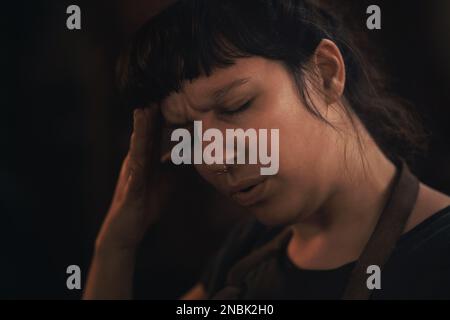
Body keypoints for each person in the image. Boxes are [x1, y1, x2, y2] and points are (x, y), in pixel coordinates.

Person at [83, 0, 450, 299]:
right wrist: (116, 245)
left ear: (325, 72)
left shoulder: (437, 255)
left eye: (236, 106)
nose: (213, 156)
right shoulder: (249, 253)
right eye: (189, 132)